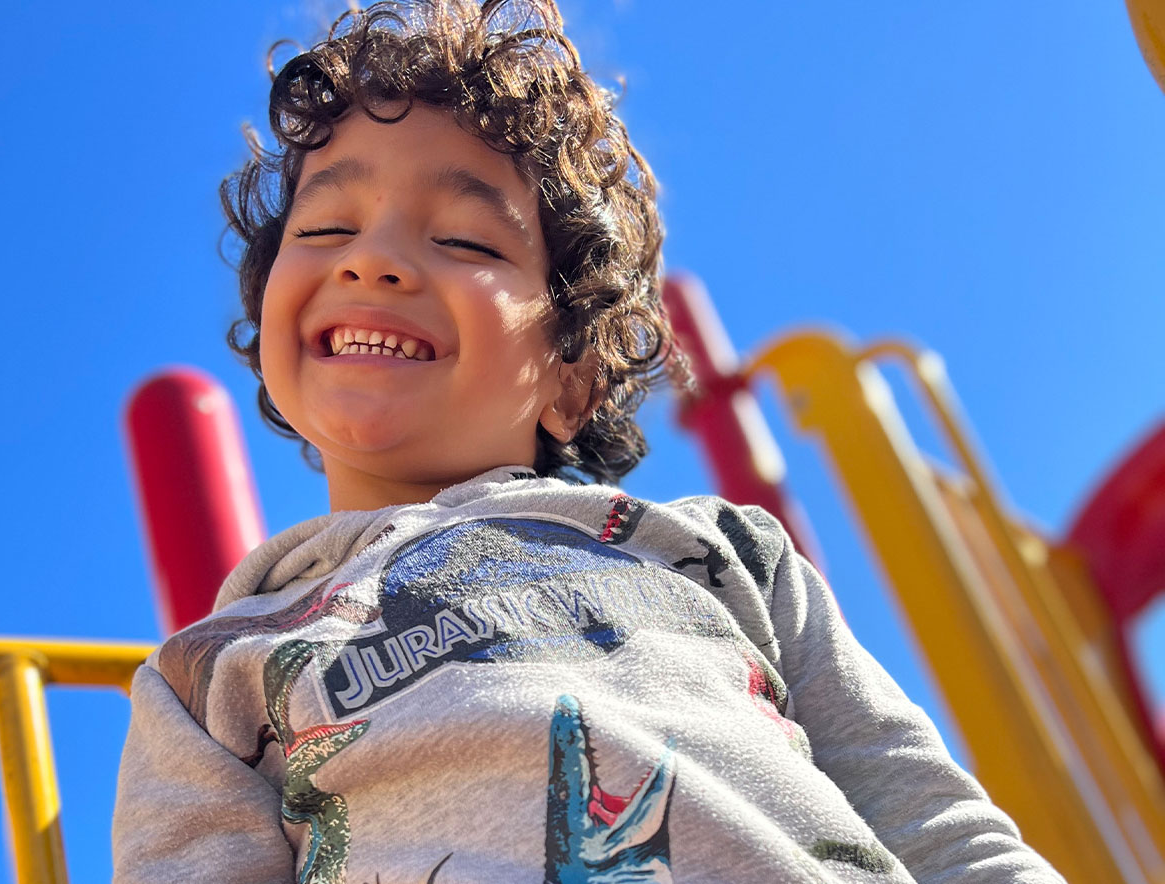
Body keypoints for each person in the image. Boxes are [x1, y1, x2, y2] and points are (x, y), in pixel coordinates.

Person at [113, 1, 1065, 881]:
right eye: (325, 225)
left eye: (468, 241)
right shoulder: (211, 674)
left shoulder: (718, 556)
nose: (372, 258)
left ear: (572, 381)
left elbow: (939, 827)